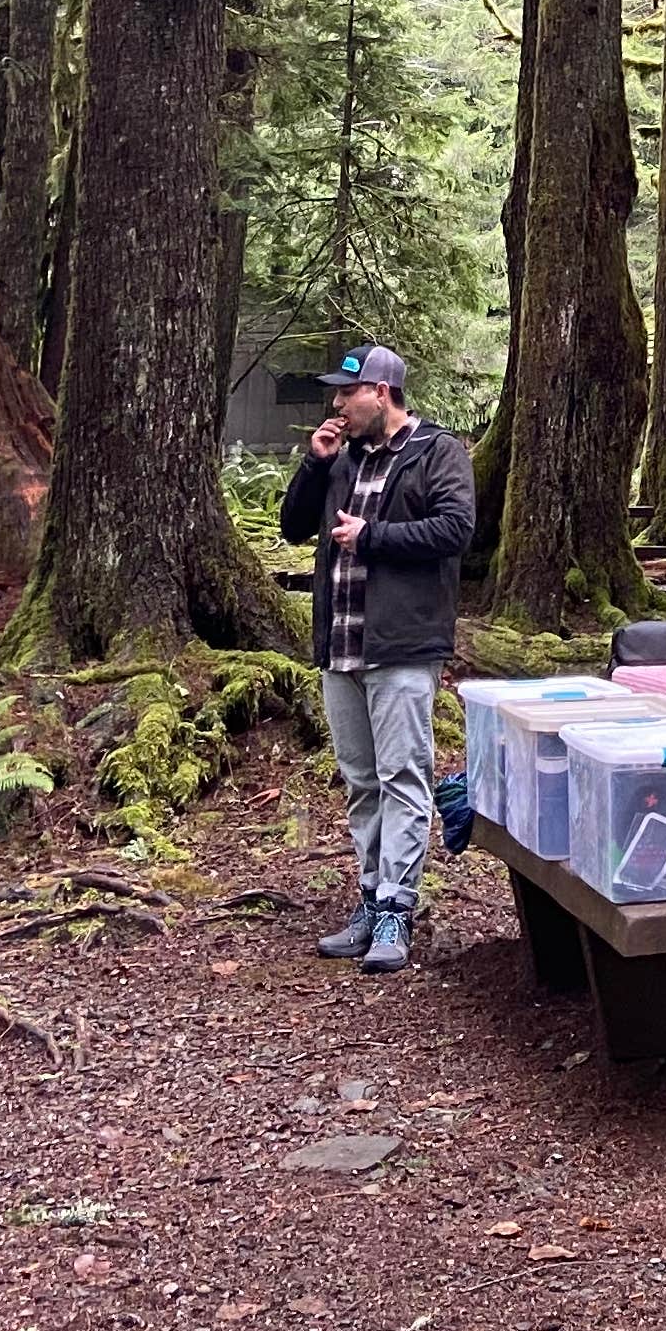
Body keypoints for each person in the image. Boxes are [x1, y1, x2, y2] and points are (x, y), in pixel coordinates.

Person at [277, 344, 474, 970]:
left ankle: (397, 909)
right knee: (361, 781)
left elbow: (456, 529)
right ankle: (369, 897)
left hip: (403, 646)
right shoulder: (343, 458)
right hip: (341, 646)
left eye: (347, 392)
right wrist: (315, 464)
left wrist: (374, 537)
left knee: (403, 778)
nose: (337, 404)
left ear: (381, 393)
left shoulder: (436, 451)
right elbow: (292, 527)